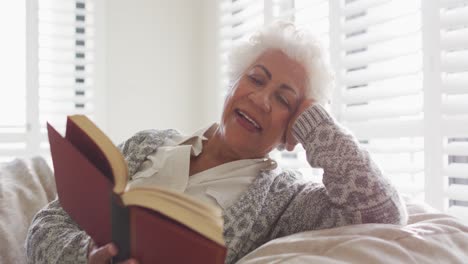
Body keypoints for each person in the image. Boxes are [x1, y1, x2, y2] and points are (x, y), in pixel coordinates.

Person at [26, 22, 408, 264]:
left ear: (292, 130)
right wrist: (91, 258)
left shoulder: (288, 201)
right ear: (233, 83)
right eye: (256, 79)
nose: (260, 99)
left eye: (283, 100)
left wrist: (314, 121)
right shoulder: (148, 143)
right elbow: (45, 225)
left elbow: (383, 212)